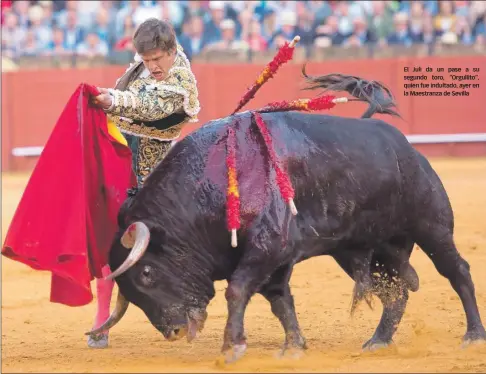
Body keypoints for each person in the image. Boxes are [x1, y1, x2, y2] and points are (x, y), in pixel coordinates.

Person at [89, 17, 201, 348]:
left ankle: (189, 305)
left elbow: (146, 105)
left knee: (169, 247)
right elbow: (128, 92)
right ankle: (101, 316)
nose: (152, 66)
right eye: (146, 60)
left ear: (171, 50)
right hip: (123, 162)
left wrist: (110, 100)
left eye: (157, 59)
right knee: (108, 235)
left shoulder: (182, 83)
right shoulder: (144, 62)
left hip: (157, 178)